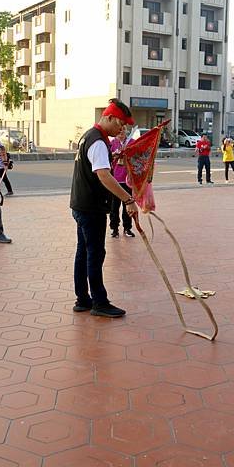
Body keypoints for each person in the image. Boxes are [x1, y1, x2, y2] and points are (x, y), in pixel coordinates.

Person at [70, 98, 138, 318]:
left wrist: (111, 157)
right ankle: (99, 302)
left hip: (80, 204)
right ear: (109, 117)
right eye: (120, 124)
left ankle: (82, 299)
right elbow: (103, 176)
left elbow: (96, 166)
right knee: (95, 254)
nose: (122, 129)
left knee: (83, 252)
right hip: (91, 208)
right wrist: (128, 199)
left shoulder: (88, 136)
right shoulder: (98, 141)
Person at [109, 129, 135, 238]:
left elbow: (137, 156)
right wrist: (114, 155)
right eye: (119, 131)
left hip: (128, 180)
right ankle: (114, 228)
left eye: (123, 130)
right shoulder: (112, 143)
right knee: (114, 207)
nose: (121, 133)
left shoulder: (132, 142)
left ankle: (127, 228)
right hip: (115, 180)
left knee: (128, 205)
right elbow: (107, 157)